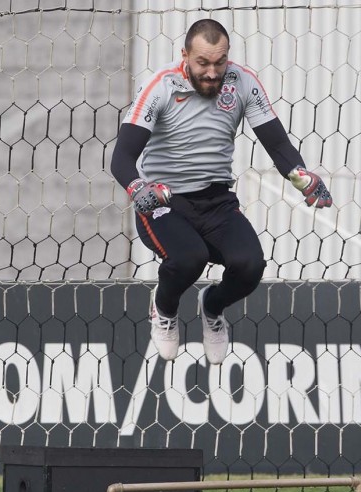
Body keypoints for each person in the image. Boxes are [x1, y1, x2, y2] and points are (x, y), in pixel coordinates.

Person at [110, 18, 332, 365]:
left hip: (216, 202)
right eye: (203, 63)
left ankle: (211, 307)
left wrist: (301, 175)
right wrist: (138, 187)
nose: (212, 72)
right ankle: (164, 308)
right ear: (185, 56)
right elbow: (122, 157)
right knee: (189, 258)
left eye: (219, 62)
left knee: (250, 265)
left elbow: (276, 143)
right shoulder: (161, 86)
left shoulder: (242, 82)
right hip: (165, 204)